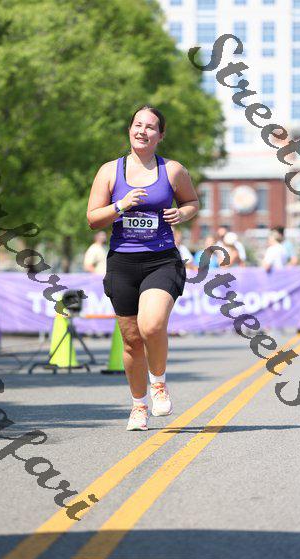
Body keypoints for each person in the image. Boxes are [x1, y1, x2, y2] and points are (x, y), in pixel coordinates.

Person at [87, 104, 199, 431]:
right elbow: (93, 219)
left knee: (151, 325)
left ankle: (158, 383)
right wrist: (120, 205)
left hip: (161, 259)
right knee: (132, 340)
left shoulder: (173, 170)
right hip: (122, 262)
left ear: (160, 135)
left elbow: (192, 202)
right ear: (129, 130)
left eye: (150, 127)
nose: (142, 131)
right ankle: (138, 406)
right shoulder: (110, 171)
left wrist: (183, 213)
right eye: (138, 124)